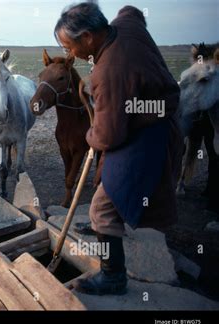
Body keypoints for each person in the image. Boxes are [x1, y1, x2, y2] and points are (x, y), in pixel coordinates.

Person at [54, 3, 183, 295]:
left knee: (101, 208)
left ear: (87, 37)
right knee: (109, 191)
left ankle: (113, 277)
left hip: (146, 137)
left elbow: (108, 135)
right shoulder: (125, 26)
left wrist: (90, 134)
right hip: (151, 121)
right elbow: (131, 10)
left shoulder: (110, 71)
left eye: (68, 46)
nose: (68, 53)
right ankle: (112, 236)